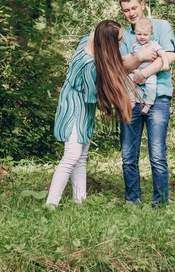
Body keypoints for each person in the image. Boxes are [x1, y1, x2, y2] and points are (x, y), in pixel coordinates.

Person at [46, 20, 132, 207]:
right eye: (119, 40)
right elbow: (96, 96)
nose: (121, 42)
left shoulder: (89, 41)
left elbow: (95, 33)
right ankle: (50, 205)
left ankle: (80, 202)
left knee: (81, 156)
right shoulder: (88, 66)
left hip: (83, 109)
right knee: (71, 155)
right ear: (108, 43)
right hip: (74, 110)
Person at [119, 0, 175, 207]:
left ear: (142, 5)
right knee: (128, 155)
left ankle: (160, 202)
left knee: (157, 153)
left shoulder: (161, 27)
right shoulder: (123, 35)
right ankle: (132, 200)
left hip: (158, 98)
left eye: (134, 8)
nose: (131, 13)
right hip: (130, 99)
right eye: (126, 10)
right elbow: (119, 66)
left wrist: (143, 72)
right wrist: (139, 57)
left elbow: (169, 56)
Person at [129, 17, 170, 115]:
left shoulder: (154, 44)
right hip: (136, 71)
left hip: (150, 73)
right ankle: (131, 100)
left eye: (145, 35)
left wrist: (165, 63)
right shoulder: (134, 45)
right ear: (135, 33)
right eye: (139, 34)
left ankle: (148, 104)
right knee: (128, 82)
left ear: (151, 34)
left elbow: (163, 53)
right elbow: (131, 57)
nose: (142, 37)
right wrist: (133, 69)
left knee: (151, 86)